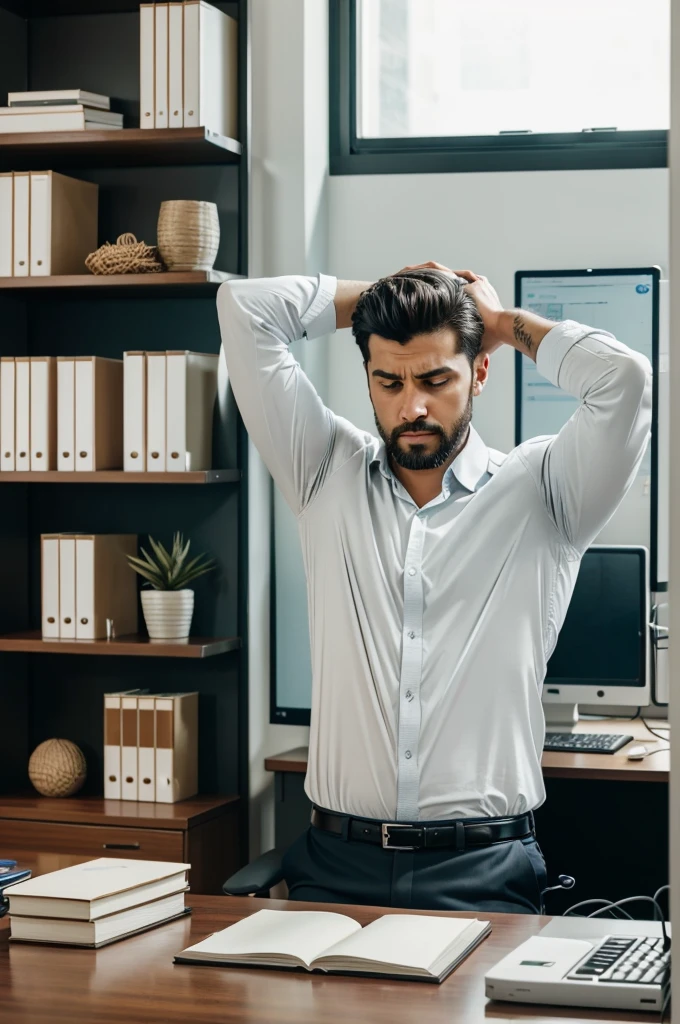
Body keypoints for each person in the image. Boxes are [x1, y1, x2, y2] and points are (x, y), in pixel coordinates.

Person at [217, 262, 652, 914]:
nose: (410, 406)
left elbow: (624, 381)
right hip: (334, 868)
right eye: (387, 381)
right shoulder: (322, 470)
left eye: (435, 379)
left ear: (479, 371)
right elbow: (243, 307)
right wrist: (377, 296)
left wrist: (501, 323)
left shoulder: (544, 490)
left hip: (485, 872)